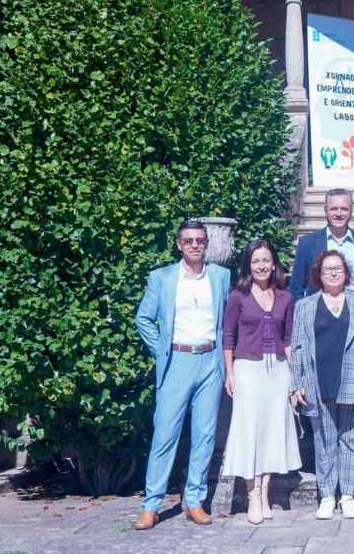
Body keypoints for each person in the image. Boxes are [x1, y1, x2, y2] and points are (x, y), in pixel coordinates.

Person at [133, 219, 232, 530]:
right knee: (165, 435)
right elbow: (143, 319)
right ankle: (151, 505)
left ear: (206, 244)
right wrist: (162, 350)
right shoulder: (162, 278)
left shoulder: (221, 276)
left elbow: (228, 320)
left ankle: (195, 501)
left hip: (210, 361)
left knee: (204, 435)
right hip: (177, 360)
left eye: (199, 240)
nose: (194, 245)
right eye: (188, 240)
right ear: (178, 244)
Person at [290, 187, 354, 473]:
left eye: (344, 208)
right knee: (323, 398)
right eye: (333, 208)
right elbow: (296, 289)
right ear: (325, 211)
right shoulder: (308, 244)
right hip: (322, 328)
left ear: (351, 210)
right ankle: (324, 462)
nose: (339, 213)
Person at [290, 250, 354, 520]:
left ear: (346, 272)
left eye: (338, 268)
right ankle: (328, 496)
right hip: (318, 381)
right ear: (318, 274)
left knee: (352, 439)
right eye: (327, 269)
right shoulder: (305, 306)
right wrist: (297, 383)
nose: (332, 272)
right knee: (324, 440)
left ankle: (348, 496)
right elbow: (297, 346)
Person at [220, 239, 302, 524]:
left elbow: (288, 339)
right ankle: (252, 495)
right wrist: (230, 372)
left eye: (266, 260)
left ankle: (265, 492)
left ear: (274, 264)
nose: (261, 266)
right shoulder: (238, 296)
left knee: (271, 431)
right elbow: (228, 337)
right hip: (248, 369)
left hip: (278, 371)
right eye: (256, 261)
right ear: (248, 265)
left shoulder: (285, 297)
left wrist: (295, 377)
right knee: (250, 431)